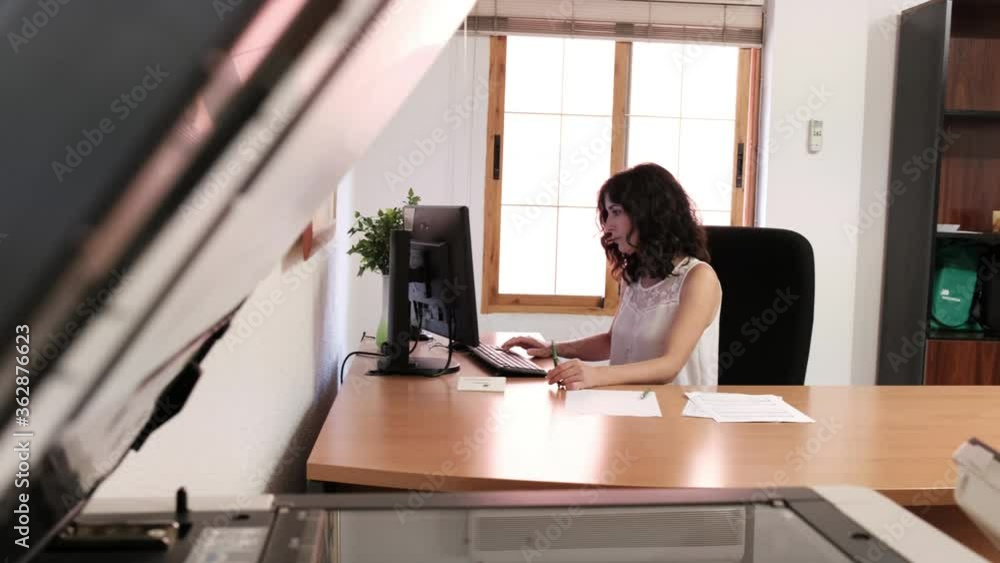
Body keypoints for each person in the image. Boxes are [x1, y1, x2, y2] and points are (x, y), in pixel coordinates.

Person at [502, 162, 722, 390]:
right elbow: (612, 341)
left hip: (678, 416)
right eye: (607, 215)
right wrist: (553, 348)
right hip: (630, 408)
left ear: (648, 214)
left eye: (616, 212)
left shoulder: (698, 278)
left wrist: (596, 375)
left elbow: (669, 366)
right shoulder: (634, 276)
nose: (607, 226)